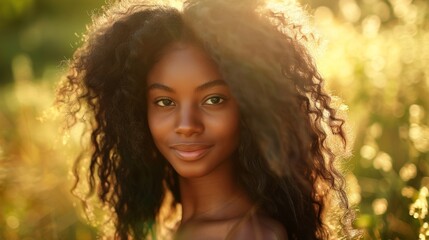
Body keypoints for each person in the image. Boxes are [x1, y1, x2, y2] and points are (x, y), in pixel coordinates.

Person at [56, 0, 356, 239]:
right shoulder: (182, 228)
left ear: (250, 108)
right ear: (137, 114)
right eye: (165, 101)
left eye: (213, 99)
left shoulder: (248, 234)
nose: (187, 124)